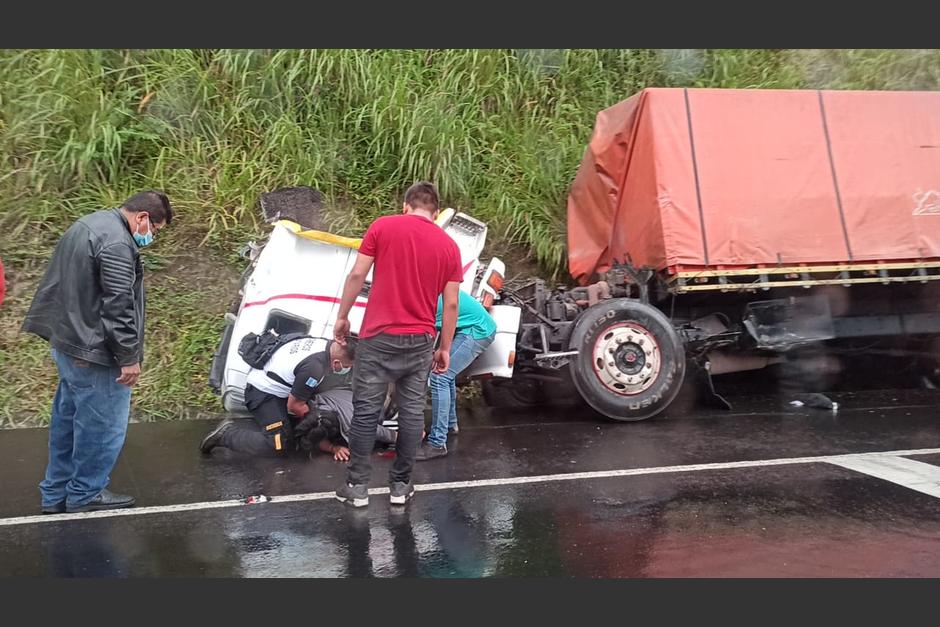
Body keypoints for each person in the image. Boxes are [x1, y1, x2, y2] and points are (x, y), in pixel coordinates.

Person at [22, 190, 173, 513]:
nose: (152, 237)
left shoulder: (88, 224)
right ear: (142, 217)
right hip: (95, 351)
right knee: (103, 428)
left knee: (67, 422)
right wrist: (128, 358)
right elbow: (119, 306)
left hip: (68, 342)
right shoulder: (118, 243)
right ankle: (85, 493)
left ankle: (55, 492)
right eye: (155, 229)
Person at [333, 181, 462, 507]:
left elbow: (356, 276)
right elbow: (451, 304)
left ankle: (357, 487)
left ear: (406, 206)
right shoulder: (449, 246)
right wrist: (444, 348)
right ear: (435, 212)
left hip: (378, 337)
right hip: (420, 342)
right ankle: (401, 487)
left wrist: (343, 316)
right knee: (412, 413)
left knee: (366, 412)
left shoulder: (383, 227)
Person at [200, 336, 397, 459]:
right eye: (348, 366)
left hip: (278, 385)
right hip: (263, 393)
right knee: (279, 445)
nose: (348, 369)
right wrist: (319, 425)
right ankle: (227, 435)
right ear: (338, 362)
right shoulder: (314, 368)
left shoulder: (325, 344)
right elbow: (295, 405)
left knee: (302, 427)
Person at [416, 290, 497, 460]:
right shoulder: (425, 290)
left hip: (477, 330)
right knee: (446, 375)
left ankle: (437, 443)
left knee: (440, 377)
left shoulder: (421, 300)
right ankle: (450, 426)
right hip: (473, 326)